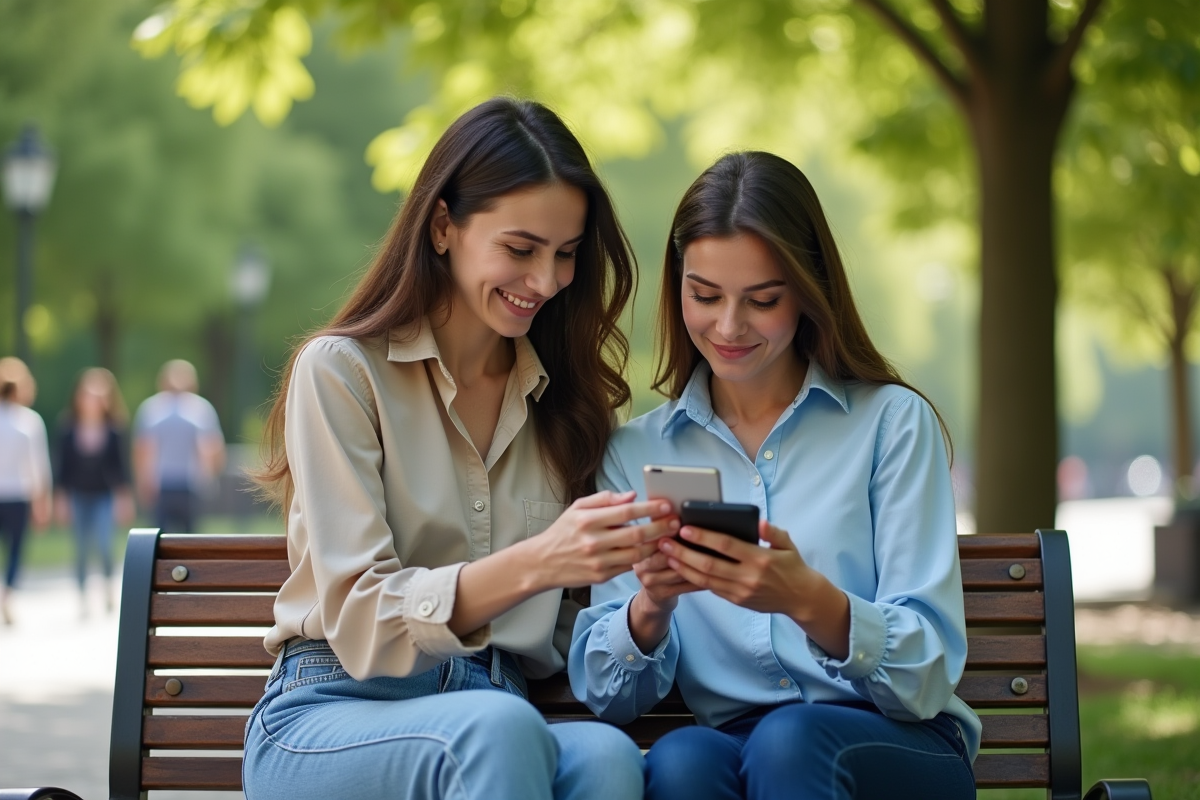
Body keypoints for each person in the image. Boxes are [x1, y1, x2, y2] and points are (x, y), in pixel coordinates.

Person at [241, 98, 670, 800]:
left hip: (500, 706)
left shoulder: (569, 409)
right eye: (520, 249)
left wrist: (647, 604)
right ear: (443, 226)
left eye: (565, 254)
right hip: (333, 709)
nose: (546, 281)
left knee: (606, 758)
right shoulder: (343, 372)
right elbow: (363, 621)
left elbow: (567, 640)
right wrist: (539, 560)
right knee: (498, 730)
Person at [569, 152, 979, 800]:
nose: (729, 326)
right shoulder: (634, 453)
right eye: (705, 295)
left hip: (897, 738)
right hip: (737, 740)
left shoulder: (892, 424)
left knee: (788, 741)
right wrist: (651, 606)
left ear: (809, 291)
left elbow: (925, 677)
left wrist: (808, 599)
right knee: (680, 761)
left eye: (762, 300)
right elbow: (607, 696)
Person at [53, 367, 134, 615]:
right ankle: (82, 596)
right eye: (88, 395)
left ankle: (108, 587)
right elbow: (62, 469)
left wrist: (124, 498)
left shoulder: (114, 429)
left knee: (105, 543)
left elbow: (121, 468)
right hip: (77, 495)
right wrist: (60, 499)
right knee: (80, 548)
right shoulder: (67, 428)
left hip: (104, 495)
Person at [133, 359, 224, 533]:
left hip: (182, 483)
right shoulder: (200, 408)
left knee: (165, 538)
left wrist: (142, 481)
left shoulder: (152, 408)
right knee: (183, 539)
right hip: (168, 483)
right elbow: (213, 446)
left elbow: (142, 449)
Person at [0, 357, 53, 626]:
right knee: (15, 550)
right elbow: (38, 467)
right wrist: (42, 502)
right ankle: (7, 593)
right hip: (18, 495)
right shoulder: (29, 421)